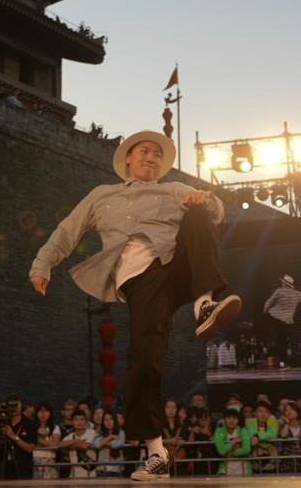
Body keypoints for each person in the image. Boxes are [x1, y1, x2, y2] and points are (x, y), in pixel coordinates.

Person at [29, 130, 241, 481]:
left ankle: (204, 303)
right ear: (128, 157)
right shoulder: (102, 196)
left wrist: (207, 200)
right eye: (145, 151)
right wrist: (42, 264)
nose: (152, 158)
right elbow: (68, 231)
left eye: (158, 155)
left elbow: (216, 214)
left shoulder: (173, 189)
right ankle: (156, 453)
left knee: (199, 213)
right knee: (145, 357)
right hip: (140, 282)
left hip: (174, 265)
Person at [263, 274, 301, 363]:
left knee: (279, 339)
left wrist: (265, 310)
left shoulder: (279, 291)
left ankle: (278, 357)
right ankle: (282, 359)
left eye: (282, 283)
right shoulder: (297, 294)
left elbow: (269, 302)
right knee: (283, 340)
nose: (281, 284)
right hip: (286, 320)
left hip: (274, 317)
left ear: (285, 284)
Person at [0, 395, 37, 479]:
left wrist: (12, 436)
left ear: (22, 406)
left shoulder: (30, 424)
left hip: (22, 468)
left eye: (16, 405)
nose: (13, 408)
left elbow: (29, 448)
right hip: (2, 468)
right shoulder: (1, 422)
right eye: (11, 405)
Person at [57, 409, 97, 479]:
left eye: (82, 419)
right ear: (72, 422)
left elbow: (85, 446)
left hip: (91, 475)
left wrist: (69, 447)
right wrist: (76, 440)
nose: (79, 422)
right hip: (74, 476)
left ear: (86, 422)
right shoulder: (69, 437)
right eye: (76, 419)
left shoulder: (92, 432)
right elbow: (60, 445)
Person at [213, 409, 252, 476]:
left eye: (234, 418)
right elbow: (221, 450)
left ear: (238, 420)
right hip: (226, 467)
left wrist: (232, 453)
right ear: (224, 420)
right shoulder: (219, 431)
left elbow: (246, 449)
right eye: (229, 418)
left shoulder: (243, 431)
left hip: (243, 467)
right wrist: (233, 442)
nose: (232, 421)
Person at [33, 402, 61, 479]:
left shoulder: (55, 427)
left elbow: (55, 444)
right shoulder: (31, 427)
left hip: (49, 462)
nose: (43, 414)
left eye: (46, 411)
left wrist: (37, 439)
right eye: (40, 411)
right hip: (34, 461)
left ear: (50, 413)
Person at [94, 411, 125, 478]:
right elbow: (97, 445)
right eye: (105, 420)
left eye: (111, 419)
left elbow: (117, 444)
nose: (108, 422)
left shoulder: (121, 433)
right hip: (101, 470)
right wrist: (110, 437)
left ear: (115, 420)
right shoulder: (100, 434)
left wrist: (104, 443)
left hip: (116, 470)